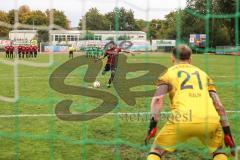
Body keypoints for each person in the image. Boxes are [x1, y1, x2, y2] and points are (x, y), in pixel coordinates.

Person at [146, 45, 235, 160]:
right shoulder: (204, 74)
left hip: (182, 119)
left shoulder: (166, 74)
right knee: (218, 151)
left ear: (172, 58)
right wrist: (227, 133)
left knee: (156, 150)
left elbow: (157, 100)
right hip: (210, 120)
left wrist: (152, 126)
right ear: (191, 59)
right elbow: (219, 105)